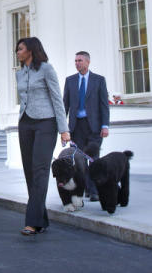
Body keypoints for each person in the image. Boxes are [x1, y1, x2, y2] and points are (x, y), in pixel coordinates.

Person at [15, 37, 70, 236]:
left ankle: (32, 222)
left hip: (46, 123)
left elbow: (57, 98)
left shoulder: (47, 69)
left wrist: (64, 129)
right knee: (29, 171)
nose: (17, 52)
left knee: (40, 170)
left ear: (30, 50)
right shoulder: (19, 74)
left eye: (20, 49)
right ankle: (41, 219)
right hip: (25, 123)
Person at [63, 51, 109, 201]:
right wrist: (63, 128)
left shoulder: (99, 80)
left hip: (94, 126)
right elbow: (65, 105)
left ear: (88, 62)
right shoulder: (70, 81)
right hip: (76, 127)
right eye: (75, 61)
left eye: (80, 60)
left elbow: (103, 105)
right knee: (80, 160)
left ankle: (94, 190)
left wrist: (105, 125)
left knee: (94, 158)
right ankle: (86, 188)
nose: (77, 63)